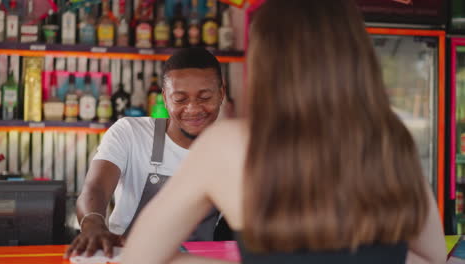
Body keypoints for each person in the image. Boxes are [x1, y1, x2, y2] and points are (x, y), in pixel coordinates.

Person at [122, 0, 447, 263]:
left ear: (266, 64)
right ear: (355, 57)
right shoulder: (391, 141)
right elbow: (434, 259)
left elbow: (141, 256)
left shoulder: (227, 146)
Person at [64, 47, 225, 258]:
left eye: (204, 97)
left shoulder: (232, 149)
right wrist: (93, 224)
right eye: (180, 99)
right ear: (165, 98)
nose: (193, 108)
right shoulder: (130, 132)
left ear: (221, 93)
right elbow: (96, 188)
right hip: (131, 257)